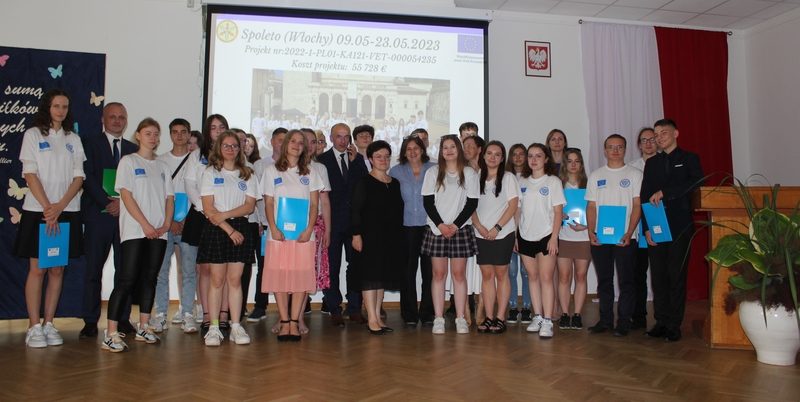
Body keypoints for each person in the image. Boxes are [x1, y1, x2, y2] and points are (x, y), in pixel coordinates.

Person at [15, 89, 85, 348]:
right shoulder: (33, 135)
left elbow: (79, 177)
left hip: (67, 210)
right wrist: (48, 208)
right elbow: (30, 174)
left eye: (65, 106)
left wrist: (60, 207)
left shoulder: (73, 138)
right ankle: (34, 326)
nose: (60, 111)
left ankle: (49, 323)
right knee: (38, 269)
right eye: (56, 106)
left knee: (57, 269)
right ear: (47, 107)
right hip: (38, 211)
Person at [102, 117, 174, 352]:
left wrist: (166, 224)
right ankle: (111, 333)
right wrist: (144, 224)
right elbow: (126, 196)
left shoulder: (163, 167)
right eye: (148, 133)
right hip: (135, 230)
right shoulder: (129, 161)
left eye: (156, 134)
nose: (152, 138)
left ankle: (144, 326)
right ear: (138, 136)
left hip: (159, 232)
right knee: (126, 279)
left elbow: (169, 198)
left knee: (150, 279)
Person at [641, 119, 703, 342]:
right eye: (656, 135)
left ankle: (674, 324)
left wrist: (666, 193)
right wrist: (646, 228)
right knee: (658, 276)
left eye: (663, 133)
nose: (659, 138)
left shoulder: (689, 159)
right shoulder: (652, 163)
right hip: (656, 225)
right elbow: (645, 195)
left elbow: (696, 183)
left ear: (676, 133)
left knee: (676, 275)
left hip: (680, 225)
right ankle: (661, 321)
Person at [80, 102, 137, 338]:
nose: (117, 121)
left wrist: (122, 203)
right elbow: (87, 177)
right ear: (103, 119)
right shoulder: (89, 143)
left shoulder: (133, 149)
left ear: (126, 121)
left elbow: (136, 184)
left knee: (125, 272)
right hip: (98, 216)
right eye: (112, 117)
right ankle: (90, 321)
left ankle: (121, 318)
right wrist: (107, 202)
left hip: (126, 219)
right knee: (93, 271)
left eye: (121, 117)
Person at [198, 131, 259, 346]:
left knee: (235, 280)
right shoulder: (209, 172)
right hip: (218, 229)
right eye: (226, 145)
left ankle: (235, 326)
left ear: (240, 149)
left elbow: (249, 206)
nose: (231, 149)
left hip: (240, 227)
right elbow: (208, 208)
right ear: (219, 148)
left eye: (234, 146)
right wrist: (228, 228)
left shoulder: (248, 174)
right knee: (217, 280)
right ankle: (214, 328)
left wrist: (224, 215)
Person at [261, 129, 322, 341]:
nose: (296, 145)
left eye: (301, 142)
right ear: (286, 144)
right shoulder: (271, 171)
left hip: (304, 236)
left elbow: (314, 205)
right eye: (293, 141)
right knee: (279, 278)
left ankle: (295, 322)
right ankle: (284, 321)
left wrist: (309, 229)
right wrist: (274, 228)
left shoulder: (311, 173)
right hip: (278, 235)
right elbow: (269, 203)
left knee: (300, 279)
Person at [421, 135, 479, 335]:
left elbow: (472, 202)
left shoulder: (469, 173)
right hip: (437, 230)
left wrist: (454, 226)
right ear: (441, 151)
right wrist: (441, 225)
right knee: (438, 275)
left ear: (459, 149)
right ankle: (438, 318)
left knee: (459, 275)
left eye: (452, 146)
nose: (449, 150)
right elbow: (428, 202)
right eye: (445, 147)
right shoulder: (433, 172)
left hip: (460, 230)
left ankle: (460, 318)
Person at [585, 134, 642, 337]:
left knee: (626, 281)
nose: (615, 150)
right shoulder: (596, 175)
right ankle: (605, 320)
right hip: (601, 238)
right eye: (611, 147)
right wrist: (591, 231)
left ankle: (624, 322)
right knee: (604, 281)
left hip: (625, 238)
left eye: (619, 147)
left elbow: (637, 205)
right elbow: (591, 207)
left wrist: (629, 232)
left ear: (625, 150)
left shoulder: (635, 174)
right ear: (605, 150)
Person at [317, 123, 369, 327]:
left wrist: (356, 162)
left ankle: (354, 308)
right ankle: (334, 308)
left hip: (355, 223)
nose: (343, 140)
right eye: (338, 136)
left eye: (346, 136)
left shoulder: (357, 159)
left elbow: (364, 184)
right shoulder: (321, 160)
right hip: (332, 222)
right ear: (331, 138)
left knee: (355, 266)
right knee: (332, 266)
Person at [351, 140, 405, 335]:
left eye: (387, 156)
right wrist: (356, 235)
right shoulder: (364, 182)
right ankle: (372, 318)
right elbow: (355, 211)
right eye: (379, 156)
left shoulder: (395, 183)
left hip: (390, 238)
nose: (383, 160)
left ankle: (378, 317)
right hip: (369, 237)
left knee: (381, 278)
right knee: (369, 278)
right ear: (371, 159)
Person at [183, 114, 228, 334]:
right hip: (201, 215)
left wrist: (220, 211)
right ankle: (207, 315)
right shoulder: (197, 155)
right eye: (213, 127)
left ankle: (224, 315)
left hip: (226, 216)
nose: (218, 131)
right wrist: (204, 208)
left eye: (221, 127)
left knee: (224, 269)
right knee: (205, 269)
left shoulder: (232, 152)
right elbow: (189, 183)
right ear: (207, 131)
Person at [152, 118, 197, 334]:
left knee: (188, 271)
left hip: (190, 222)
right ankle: (161, 314)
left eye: (183, 131)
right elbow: (157, 194)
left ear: (189, 134)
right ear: (169, 135)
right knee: (161, 271)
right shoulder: (159, 161)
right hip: (165, 224)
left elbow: (199, 194)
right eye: (175, 132)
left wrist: (185, 221)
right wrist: (170, 222)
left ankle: (187, 313)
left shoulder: (196, 161)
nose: (179, 135)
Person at [517, 143, 565, 339]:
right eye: (530, 156)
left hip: (546, 235)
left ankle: (547, 320)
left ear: (546, 159)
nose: (534, 159)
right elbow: (518, 210)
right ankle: (537, 316)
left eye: (538, 156)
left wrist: (554, 238)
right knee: (532, 277)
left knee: (546, 278)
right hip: (524, 235)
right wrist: (516, 236)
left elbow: (558, 212)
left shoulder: (553, 182)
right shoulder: (522, 181)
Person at [471, 141, 518, 334]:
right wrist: (479, 226)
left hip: (503, 233)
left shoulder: (508, 178)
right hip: (481, 234)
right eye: (489, 153)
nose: (492, 157)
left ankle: (500, 317)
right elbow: (470, 206)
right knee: (487, 276)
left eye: (497, 154)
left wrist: (497, 228)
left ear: (502, 158)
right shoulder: (475, 178)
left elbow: (513, 206)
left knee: (501, 274)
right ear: (483, 155)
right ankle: (489, 317)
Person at [390, 134, 436, 326]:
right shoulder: (395, 171)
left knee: (429, 272)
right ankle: (409, 313)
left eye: (416, 148)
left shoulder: (434, 169)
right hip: (406, 227)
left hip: (430, 226)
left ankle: (428, 313)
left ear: (422, 149)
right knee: (407, 271)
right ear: (403, 152)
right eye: (408, 149)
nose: (412, 152)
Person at [248, 127, 287, 322]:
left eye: (286, 140)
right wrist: (258, 220)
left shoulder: (295, 166)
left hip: (288, 227)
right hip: (264, 225)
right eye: (280, 140)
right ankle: (260, 306)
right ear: (272, 142)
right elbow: (255, 196)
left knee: (289, 268)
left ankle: (288, 310)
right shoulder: (260, 165)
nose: (283, 144)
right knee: (264, 267)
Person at [556, 148, 591, 330]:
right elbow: (549, 209)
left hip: (584, 237)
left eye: (577, 161)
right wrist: (558, 215)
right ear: (565, 164)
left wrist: (586, 226)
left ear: (581, 164)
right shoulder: (558, 185)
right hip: (563, 237)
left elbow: (595, 211)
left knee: (580, 275)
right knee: (563, 277)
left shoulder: (589, 184)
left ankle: (576, 314)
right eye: (569, 161)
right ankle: (564, 313)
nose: (573, 164)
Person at [630, 127, 659, 329]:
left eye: (652, 139)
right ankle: (638, 316)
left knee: (660, 273)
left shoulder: (665, 164)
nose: (648, 143)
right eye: (644, 140)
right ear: (639, 145)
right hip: (638, 226)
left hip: (659, 224)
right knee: (637, 273)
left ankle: (662, 318)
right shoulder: (631, 168)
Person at [504, 143, 532, 325]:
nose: (518, 157)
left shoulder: (532, 178)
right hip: (508, 231)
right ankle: (513, 307)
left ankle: (528, 308)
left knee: (526, 272)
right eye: (515, 154)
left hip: (528, 231)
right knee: (511, 271)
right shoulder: (506, 178)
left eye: (522, 154)